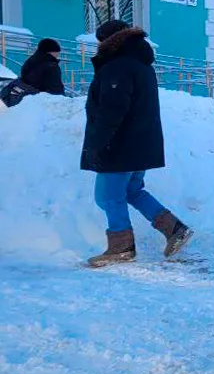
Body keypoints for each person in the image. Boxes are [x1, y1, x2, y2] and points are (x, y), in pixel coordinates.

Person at [81, 21, 194, 267]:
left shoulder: (117, 67)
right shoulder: (139, 64)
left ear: (108, 41)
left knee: (107, 197)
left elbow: (112, 110)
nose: (97, 46)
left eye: (99, 41)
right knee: (132, 191)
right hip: (139, 142)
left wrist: (97, 143)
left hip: (120, 143)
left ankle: (121, 247)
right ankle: (174, 229)